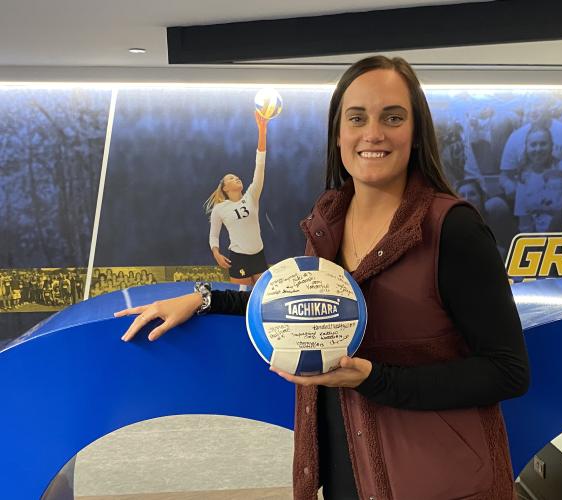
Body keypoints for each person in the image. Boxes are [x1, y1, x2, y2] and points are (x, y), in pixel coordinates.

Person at [117, 56, 529, 500]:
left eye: (393, 117)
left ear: (415, 133)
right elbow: (294, 302)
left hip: (433, 481)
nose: (373, 133)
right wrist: (204, 299)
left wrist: (374, 379)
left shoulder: (452, 228)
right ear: (338, 134)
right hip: (345, 465)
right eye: (358, 118)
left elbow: (507, 372)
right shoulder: (329, 219)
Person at [205, 111, 270, 287]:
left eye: (237, 177)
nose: (236, 178)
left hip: (258, 255)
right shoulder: (220, 209)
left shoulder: (252, 195)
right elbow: (214, 235)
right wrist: (216, 253)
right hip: (239, 258)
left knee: (261, 299)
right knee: (241, 300)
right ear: (225, 187)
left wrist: (262, 132)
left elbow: (260, 165)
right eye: (231, 178)